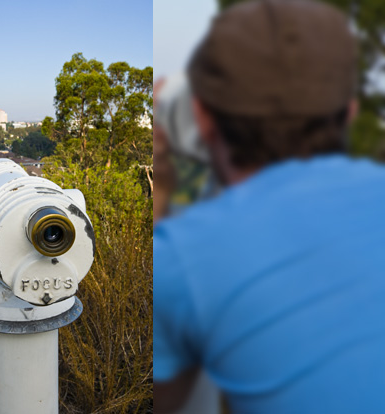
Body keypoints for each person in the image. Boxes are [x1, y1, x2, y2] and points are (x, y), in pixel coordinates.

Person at [153, 0, 385, 413]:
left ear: (203, 117)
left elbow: (167, 403)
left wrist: (160, 197)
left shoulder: (184, 256)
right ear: (349, 111)